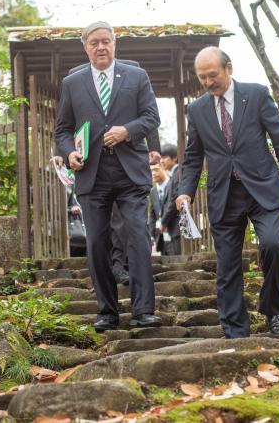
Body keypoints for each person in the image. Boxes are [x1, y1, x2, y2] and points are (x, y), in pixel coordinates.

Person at [176, 46, 279, 339]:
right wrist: (186, 191)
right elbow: (194, 156)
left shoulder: (257, 94)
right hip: (224, 194)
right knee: (228, 265)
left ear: (229, 69)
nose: (208, 82)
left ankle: (273, 311)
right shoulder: (196, 110)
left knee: (272, 245)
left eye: (213, 75)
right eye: (202, 77)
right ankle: (236, 330)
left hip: (262, 188)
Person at [55, 21, 162, 332]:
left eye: (106, 41)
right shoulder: (72, 83)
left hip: (130, 171)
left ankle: (143, 311)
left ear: (115, 44)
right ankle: (107, 312)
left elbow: (151, 116)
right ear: (85, 47)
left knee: (138, 237)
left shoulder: (136, 76)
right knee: (98, 243)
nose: (101, 47)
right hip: (92, 173)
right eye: (94, 43)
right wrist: (68, 152)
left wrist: (128, 130)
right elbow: (63, 130)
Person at [159, 144, 181, 255]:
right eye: (160, 158)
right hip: (173, 227)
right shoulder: (172, 176)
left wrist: (163, 221)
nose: (161, 161)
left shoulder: (178, 174)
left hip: (178, 225)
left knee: (180, 260)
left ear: (175, 158)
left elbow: (174, 200)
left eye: (164, 157)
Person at [148, 163, 168, 253]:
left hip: (174, 231)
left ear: (163, 168)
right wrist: (151, 235)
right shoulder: (153, 191)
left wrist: (164, 222)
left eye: (156, 169)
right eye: (151, 170)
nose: (153, 173)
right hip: (161, 235)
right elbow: (152, 215)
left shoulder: (173, 183)